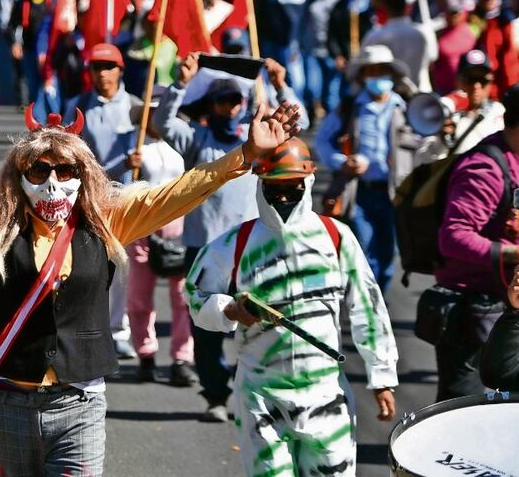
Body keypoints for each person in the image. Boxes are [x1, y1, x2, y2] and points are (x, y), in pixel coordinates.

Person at [0, 72, 299, 474]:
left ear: (83, 175)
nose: (53, 178)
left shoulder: (109, 223)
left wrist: (244, 153)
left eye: (65, 169)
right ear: (19, 175)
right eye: (39, 168)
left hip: (80, 403)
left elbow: (180, 191)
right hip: (8, 401)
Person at [186, 138, 398, 477]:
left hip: (327, 396)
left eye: (292, 188)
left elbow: (367, 306)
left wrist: (382, 376)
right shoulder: (236, 242)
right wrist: (229, 309)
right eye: (274, 188)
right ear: (260, 185)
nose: (283, 198)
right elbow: (194, 295)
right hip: (260, 395)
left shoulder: (336, 236)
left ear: (309, 182)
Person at [152, 52, 304, 421]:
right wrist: (180, 83)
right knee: (206, 328)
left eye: (236, 99)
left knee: (258, 323)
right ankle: (216, 396)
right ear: (213, 105)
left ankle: (256, 393)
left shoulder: (261, 140)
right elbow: (162, 122)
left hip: (251, 250)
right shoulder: (197, 138)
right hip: (203, 251)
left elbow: (301, 121)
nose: (230, 106)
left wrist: (281, 84)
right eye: (223, 100)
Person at [434, 83, 519, 401]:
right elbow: (453, 237)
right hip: (471, 312)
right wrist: (514, 253)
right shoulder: (483, 169)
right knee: (464, 410)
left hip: (504, 305)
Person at [315, 45, 414, 293]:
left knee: (388, 251)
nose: (379, 77)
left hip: (394, 194)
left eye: (383, 71)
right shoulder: (350, 107)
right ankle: (365, 299)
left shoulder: (405, 108)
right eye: (373, 72)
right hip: (360, 191)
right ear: (362, 76)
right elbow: (322, 140)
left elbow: (423, 144)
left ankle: (380, 296)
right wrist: (341, 162)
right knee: (363, 247)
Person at [64, 43, 141, 360]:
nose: (102, 73)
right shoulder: (77, 106)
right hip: (88, 197)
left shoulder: (137, 107)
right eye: (96, 67)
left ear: (120, 71)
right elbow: (69, 153)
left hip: (124, 199)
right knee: (86, 267)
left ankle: (119, 330)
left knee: (122, 265)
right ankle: (85, 328)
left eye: (108, 66)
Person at [125, 104, 197, 386]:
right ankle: (146, 355)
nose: (156, 118)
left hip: (179, 226)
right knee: (139, 298)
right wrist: (129, 165)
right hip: (143, 226)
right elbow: (119, 182)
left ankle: (181, 359)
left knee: (183, 298)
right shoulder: (136, 145)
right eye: (151, 112)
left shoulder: (184, 143)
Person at [416, 49, 504, 164]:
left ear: (491, 82)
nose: (476, 86)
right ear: (457, 80)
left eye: (482, 80)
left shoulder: (499, 112)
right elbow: (421, 162)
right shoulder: (444, 110)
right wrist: (441, 141)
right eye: (470, 79)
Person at [362, 0, 438, 93]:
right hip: (407, 96)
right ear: (406, 7)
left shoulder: (375, 36)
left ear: (386, 7)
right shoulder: (424, 33)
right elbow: (432, 60)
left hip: (401, 97)